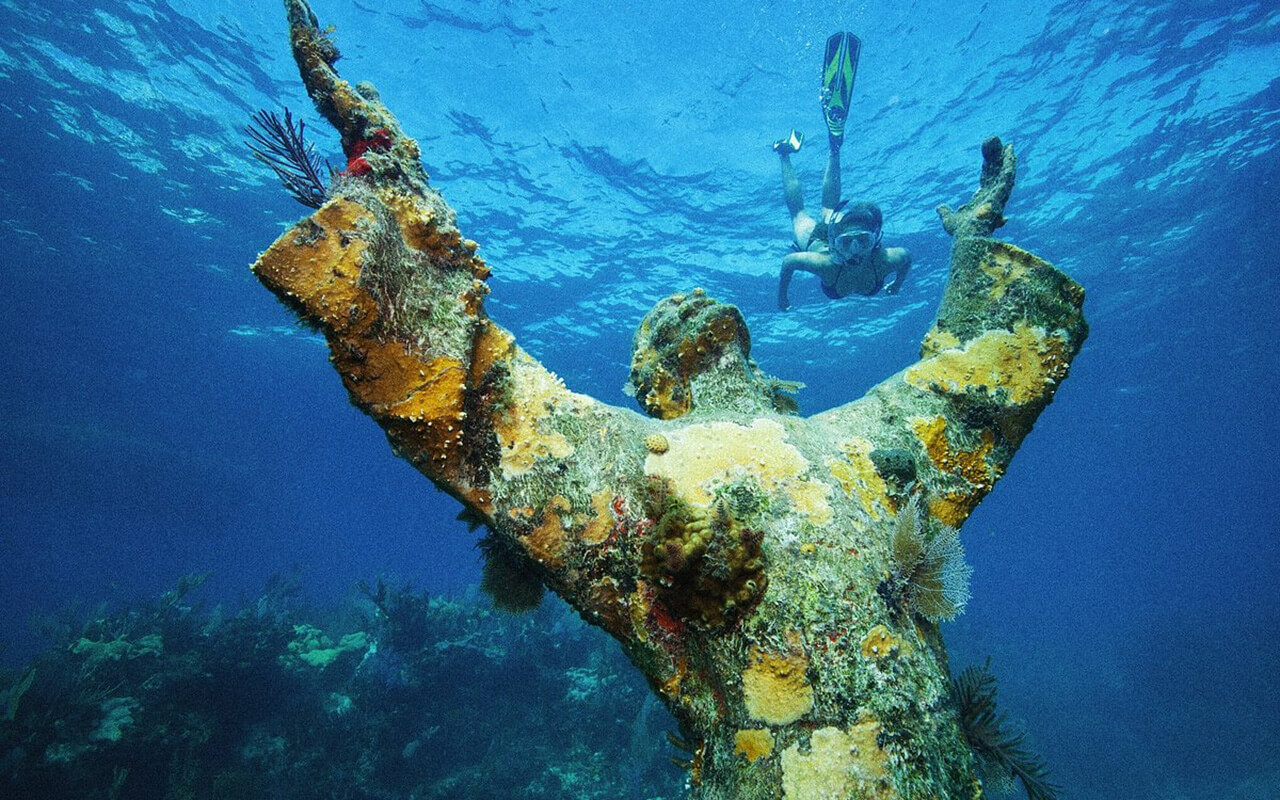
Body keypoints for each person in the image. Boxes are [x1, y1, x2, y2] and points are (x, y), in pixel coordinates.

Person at [773, 32, 910, 311]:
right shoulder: (834, 262)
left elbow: (906, 259)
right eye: (849, 243)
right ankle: (793, 152)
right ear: (837, 243)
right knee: (805, 212)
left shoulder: (882, 259)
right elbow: (789, 262)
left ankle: (824, 148)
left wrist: (897, 284)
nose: (856, 251)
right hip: (822, 243)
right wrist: (782, 296)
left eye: (862, 241)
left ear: (875, 240)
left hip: (831, 235)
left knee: (817, 210)